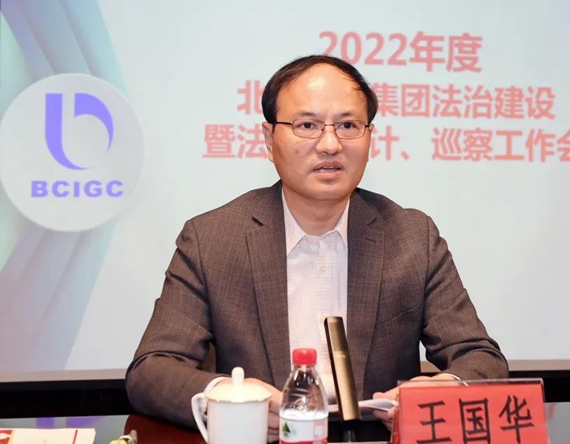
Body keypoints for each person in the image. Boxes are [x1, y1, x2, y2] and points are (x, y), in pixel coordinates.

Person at [125, 55, 508, 440]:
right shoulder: (213, 239)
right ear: (269, 140)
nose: (330, 145)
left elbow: (482, 360)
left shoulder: (411, 236)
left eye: (348, 126)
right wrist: (229, 399)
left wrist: (444, 392)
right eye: (307, 125)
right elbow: (151, 371)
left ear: (370, 138)